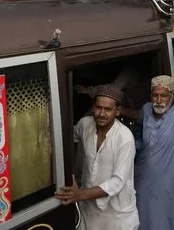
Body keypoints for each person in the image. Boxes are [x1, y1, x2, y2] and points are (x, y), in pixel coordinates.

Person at [55, 85, 139, 230]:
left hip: (117, 216)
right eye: (98, 107)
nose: (101, 113)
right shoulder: (85, 124)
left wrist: (80, 194)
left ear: (117, 111)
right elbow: (67, 139)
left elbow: (117, 182)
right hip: (89, 211)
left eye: (108, 109)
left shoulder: (125, 138)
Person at [135, 36, 174, 230]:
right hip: (145, 181)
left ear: (172, 96)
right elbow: (140, 141)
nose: (159, 99)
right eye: (155, 95)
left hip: (171, 183)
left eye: (164, 95)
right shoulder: (146, 110)